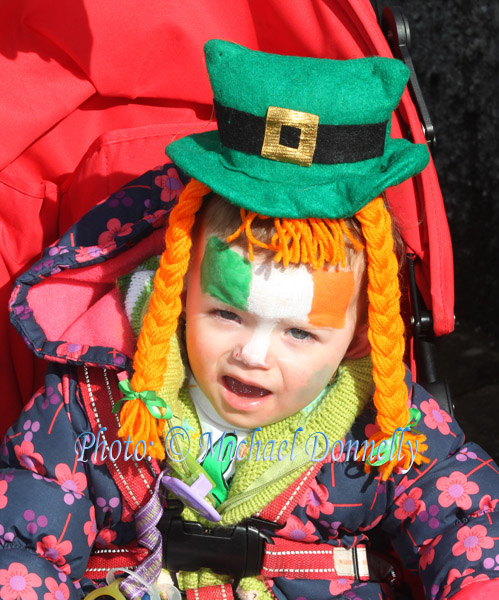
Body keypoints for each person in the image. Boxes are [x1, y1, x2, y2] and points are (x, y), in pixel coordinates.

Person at [1, 39, 498, 600]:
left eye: (300, 332)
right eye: (226, 314)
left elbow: (467, 522)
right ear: (180, 284)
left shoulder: (386, 423)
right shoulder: (90, 402)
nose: (254, 355)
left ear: (359, 334)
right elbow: (22, 539)